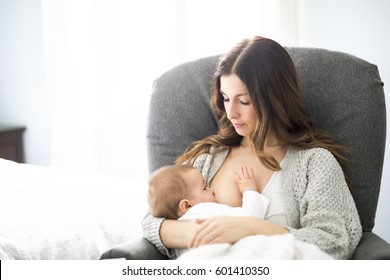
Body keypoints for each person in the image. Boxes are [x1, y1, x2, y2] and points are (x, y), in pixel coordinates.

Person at [142, 36, 362, 260]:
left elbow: (334, 241)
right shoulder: (206, 160)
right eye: (226, 98)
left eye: (244, 101)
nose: (231, 113)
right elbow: (152, 221)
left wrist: (249, 227)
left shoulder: (315, 163)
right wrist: (204, 233)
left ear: (275, 99)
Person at [148, 164, 270, 257]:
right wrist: (250, 190)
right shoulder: (204, 210)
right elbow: (250, 220)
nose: (212, 190)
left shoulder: (177, 242)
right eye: (205, 188)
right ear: (186, 206)